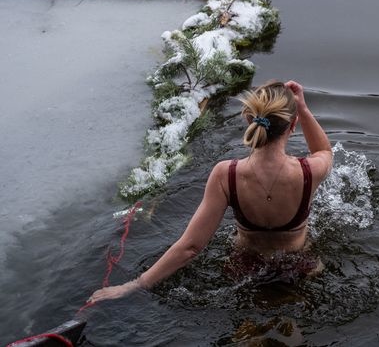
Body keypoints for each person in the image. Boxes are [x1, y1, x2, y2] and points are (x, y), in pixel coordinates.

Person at [88, 80, 332, 302]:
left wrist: (135, 284)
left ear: (249, 119)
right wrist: (304, 109)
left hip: (244, 270)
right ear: (293, 124)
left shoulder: (227, 175)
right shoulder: (309, 171)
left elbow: (190, 247)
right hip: (298, 268)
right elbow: (324, 151)